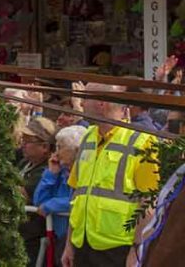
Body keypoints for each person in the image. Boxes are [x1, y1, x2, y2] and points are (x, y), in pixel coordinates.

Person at [62, 83, 159, 267]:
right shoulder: (88, 137)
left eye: (85, 98)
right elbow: (78, 196)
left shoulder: (142, 141)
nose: (81, 104)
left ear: (101, 103)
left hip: (118, 248)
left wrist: (136, 249)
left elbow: (149, 202)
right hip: (83, 244)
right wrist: (69, 245)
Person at [34, 125, 88, 266]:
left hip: (77, 238)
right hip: (59, 238)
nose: (56, 153)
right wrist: (51, 174)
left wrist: (52, 204)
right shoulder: (60, 171)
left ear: (76, 150)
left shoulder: (86, 170)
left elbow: (79, 200)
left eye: (60, 147)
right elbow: (39, 201)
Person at [20, 116, 57, 262]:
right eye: (23, 140)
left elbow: (22, 194)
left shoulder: (47, 169)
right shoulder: (25, 163)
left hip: (33, 237)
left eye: (28, 141)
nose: (23, 145)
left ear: (45, 147)